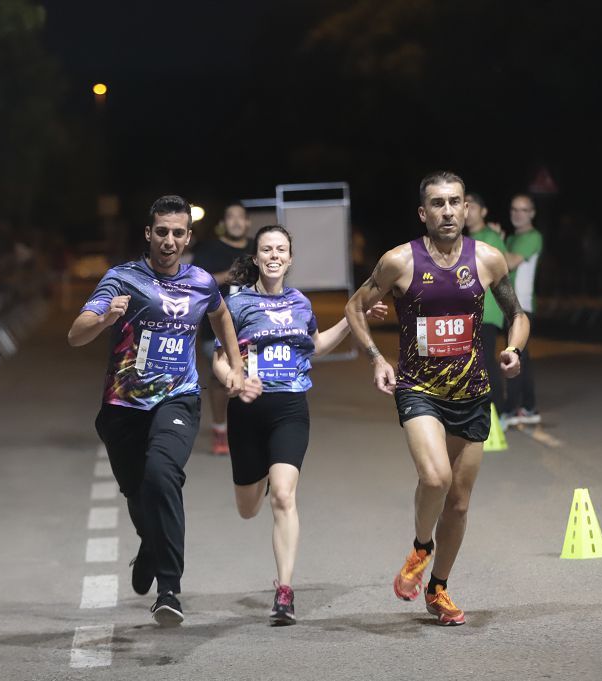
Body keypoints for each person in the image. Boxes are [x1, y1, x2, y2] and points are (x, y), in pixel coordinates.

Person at [344, 171, 530, 625]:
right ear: (422, 212)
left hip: (471, 391)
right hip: (418, 388)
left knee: (460, 502)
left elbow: (516, 314)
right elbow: (355, 307)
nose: (447, 211)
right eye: (437, 203)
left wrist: (513, 349)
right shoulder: (398, 261)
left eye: (455, 202)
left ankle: (439, 589)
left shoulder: (488, 258)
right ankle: (421, 547)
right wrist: (375, 358)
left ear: (466, 209)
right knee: (434, 478)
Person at [67, 195, 245, 627]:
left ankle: (169, 589)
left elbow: (220, 315)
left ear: (188, 237)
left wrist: (235, 362)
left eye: (177, 233)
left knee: (162, 476)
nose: (169, 240)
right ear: (149, 234)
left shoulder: (201, 281)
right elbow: (76, 334)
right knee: (137, 492)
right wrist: (105, 319)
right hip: (123, 407)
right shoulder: (122, 279)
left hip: (178, 398)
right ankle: (150, 545)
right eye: (161, 232)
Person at [213, 224, 387, 624]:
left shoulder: (300, 303)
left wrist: (353, 318)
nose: (274, 256)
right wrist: (233, 380)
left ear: (290, 259)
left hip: (290, 408)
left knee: (285, 497)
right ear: (256, 258)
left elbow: (318, 345)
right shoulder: (236, 305)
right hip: (247, 410)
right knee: (247, 508)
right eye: (266, 250)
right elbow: (220, 359)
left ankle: (285, 592)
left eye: (281, 250)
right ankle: (262, 477)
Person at [190, 203, 253, 455]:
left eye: (241, 217)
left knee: (253, 379)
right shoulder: (209, 249)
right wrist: (229, 275)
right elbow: (196, 283)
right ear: (223, 224)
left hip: (252, 329)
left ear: (248, 223)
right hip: (214, 330)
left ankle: (249, 429)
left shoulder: (257, 248)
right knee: (221, 379)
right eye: (230, 217)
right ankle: (219, 429)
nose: (236, 222)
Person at [501, 194, 543, 427]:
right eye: (514, 209)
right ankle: (529, 407)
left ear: (532, 213)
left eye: (523, 210)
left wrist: (496, 241)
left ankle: (510, 410)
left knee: (513, 357)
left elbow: (509, 263)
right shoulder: (513, 238)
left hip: (523, 308)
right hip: (511, 305)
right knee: (522, 359)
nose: (518, 214)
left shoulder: (532, 237)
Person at [465, 192, 508, 415]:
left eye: (472, 206)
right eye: (464, 206)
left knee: (486, 362)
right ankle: (479, 407)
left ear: (483, 211)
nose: (467, 210)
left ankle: (498, 410)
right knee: (471, 362)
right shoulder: (465, 239)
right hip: (469, 312)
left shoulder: (491, 237)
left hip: (487, 310)